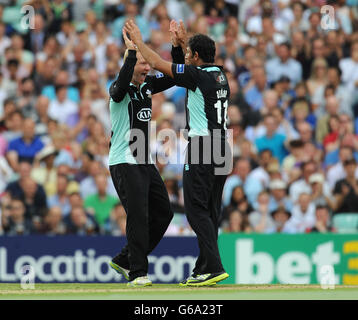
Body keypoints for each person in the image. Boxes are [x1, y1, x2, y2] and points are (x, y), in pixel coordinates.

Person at [125, 19, 232, 286]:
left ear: (196, 57)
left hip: (203, 146)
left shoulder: (197, 76)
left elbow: (159, 64)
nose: (186, 56)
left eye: (188, 53)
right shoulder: (219, 74)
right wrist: (181, 44)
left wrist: (139, 41)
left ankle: (214, 267)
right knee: (210, 210)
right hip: (223, 146)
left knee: (195, 210)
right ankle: (204, 267)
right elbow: (187, 67)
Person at [107, 22, 187, 287]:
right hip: (124, 161)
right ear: (130, 64)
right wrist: (132, 53)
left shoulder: (147, 86)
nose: (146, 68)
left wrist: (176, 48)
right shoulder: (118, 91)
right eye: (141, 63)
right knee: (138, 215)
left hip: (144, 161)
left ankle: (126, 257)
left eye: (146, 64)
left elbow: (175, 75)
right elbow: (119, 87)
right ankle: (138, 273)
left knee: (163, 213)